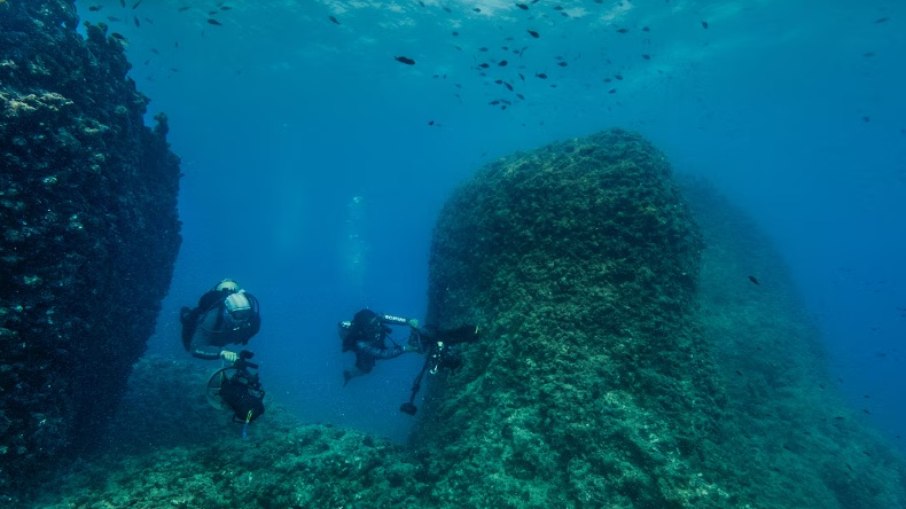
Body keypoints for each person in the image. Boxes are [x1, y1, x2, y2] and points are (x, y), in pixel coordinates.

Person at [180, 279, 261, 362]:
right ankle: (187, 314)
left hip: (223, 335)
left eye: (245, 314)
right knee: (189, 325)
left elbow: (253, 329)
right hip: (211, 335)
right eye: (238, 315)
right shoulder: (213, 317)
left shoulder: (253, 320)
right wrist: (221, 353)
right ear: (228, 313)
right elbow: (196, 347)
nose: (242, 320)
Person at [339, 308, 422, 386]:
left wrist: (408, 321)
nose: (378, 326)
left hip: (374, 342)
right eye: (372, 326)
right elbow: (382, 354)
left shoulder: (377, 318)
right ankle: (349, 374)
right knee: (366, 369)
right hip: (368, 349)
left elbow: (392, 319)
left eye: (377, 322)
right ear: (365, 329)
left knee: (369, 365)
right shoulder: (361, 344)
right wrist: (404, 348)